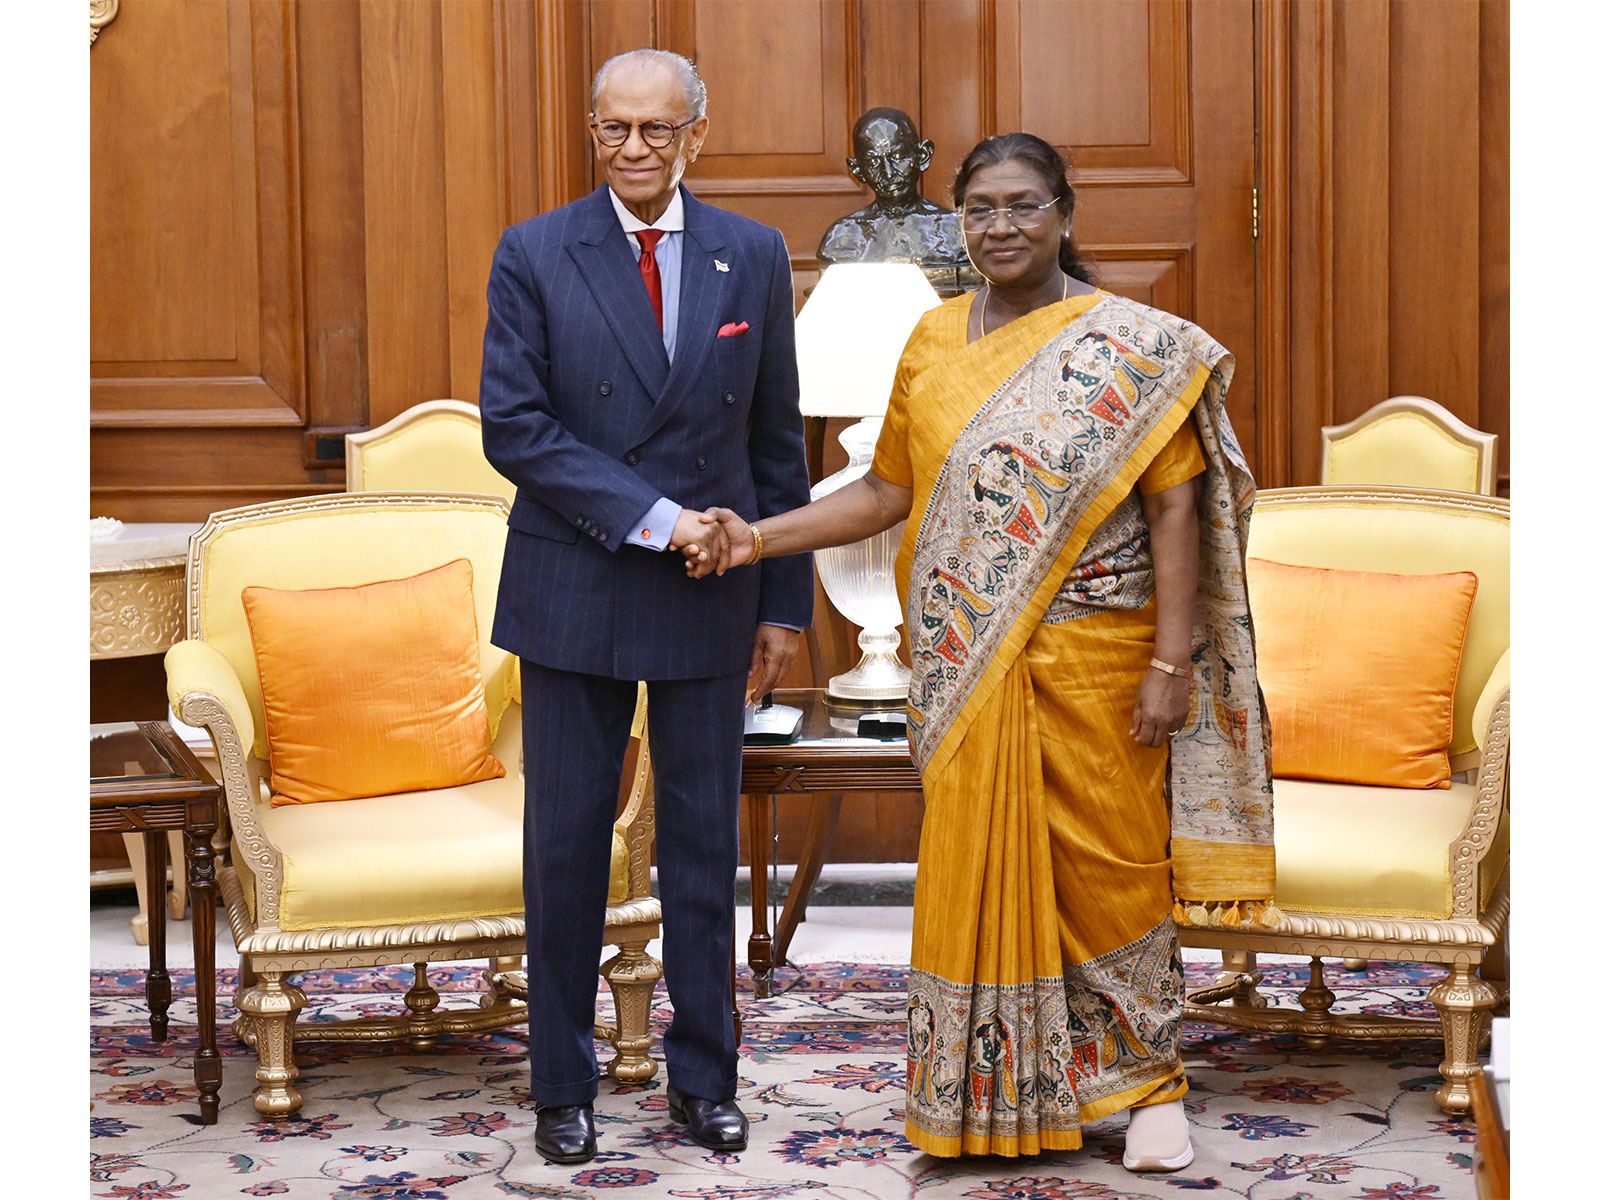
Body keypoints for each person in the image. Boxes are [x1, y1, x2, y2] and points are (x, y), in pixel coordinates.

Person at [682, 133, 1276, 1170]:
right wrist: (754, 537)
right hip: (966, 662)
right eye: (981, 210)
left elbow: (1176, 506)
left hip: (1102, 649)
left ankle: (1150, 1090)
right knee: (973, 862)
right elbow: (883, 493)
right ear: (961, 220)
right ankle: (993, 1092)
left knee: (1110, 871)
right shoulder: (931, 343)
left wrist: (1171, 664)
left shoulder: (1132, 346)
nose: (1000, 227)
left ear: (1064, 213)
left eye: (1023, 206)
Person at [478, 48, 813, 1165]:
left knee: (705, 852)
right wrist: (661, 517)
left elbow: (775, 442)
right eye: (614, 128)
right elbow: (516, 429)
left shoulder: (753, 255)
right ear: (590, 129)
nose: (633, 149)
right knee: (566, 847)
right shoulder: (533, 251)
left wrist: (783, 602)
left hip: (712, 597)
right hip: (573, 584)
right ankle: (562, 1088)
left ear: (695, 136)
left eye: (656, 131)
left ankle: (704, 1081)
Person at [817, 107, 979, 291]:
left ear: (923, 155)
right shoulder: (843, 237)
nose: (888, 173)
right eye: (873, 162)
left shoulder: (955, 230)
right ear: (857, 170)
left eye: (898, 156)